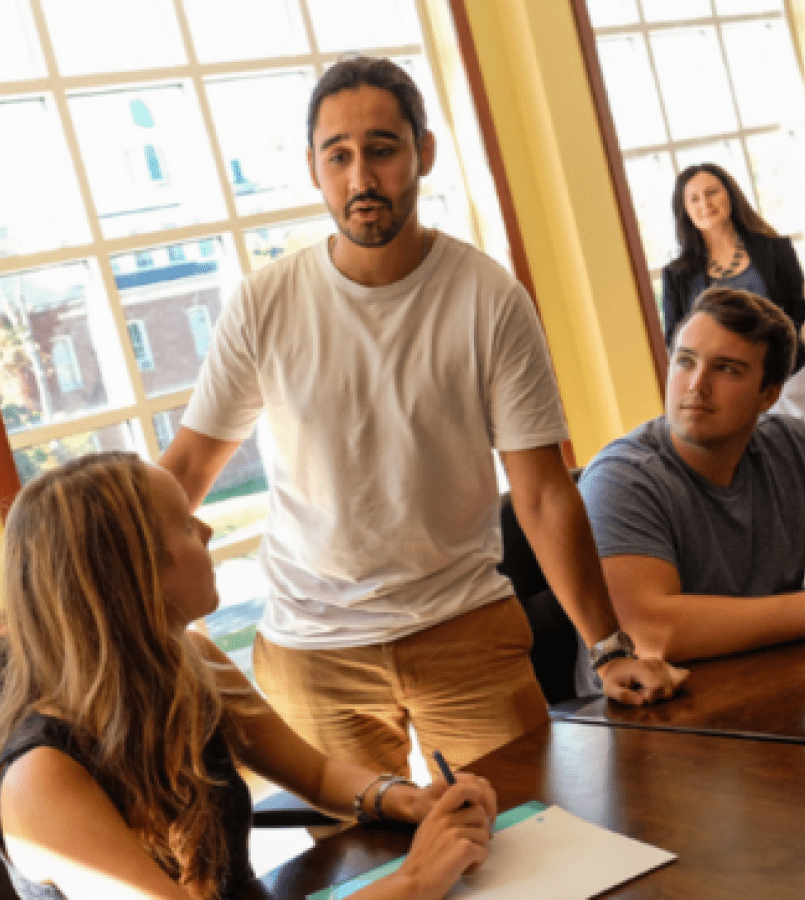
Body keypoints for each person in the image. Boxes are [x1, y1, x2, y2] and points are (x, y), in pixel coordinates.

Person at [156, 54, 686, 774]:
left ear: (423, 153)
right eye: (337, 156)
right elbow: (187, 465)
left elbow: (540, 490)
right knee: (365, 870)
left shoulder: (489, 297)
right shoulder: (265, 303)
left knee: (535, 840)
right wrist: (74, 575)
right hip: (313, 655)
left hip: (464, 629)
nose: (361, 178)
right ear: (314, 168)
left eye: (382, 150)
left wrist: (608, 645)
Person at [0, 452, 498, 900]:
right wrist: (414, 881)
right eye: (183, 524)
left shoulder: (192, 662)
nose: (206, 529)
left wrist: (408, 799)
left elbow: (314, 776)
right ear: (132, 577)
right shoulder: (40, 779)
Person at [578, 286, 805, 680]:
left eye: (726, 369)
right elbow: (647, 631)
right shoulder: (623, 477)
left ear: (768, 395)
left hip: (764, 684)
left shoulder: (789, 444)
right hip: (650, 717)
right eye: (685, 361)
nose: (696, 385)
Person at [661, 162, 805, 366]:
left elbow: (799, 313)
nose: (705, 204)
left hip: (786, 375)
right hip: (721, 386)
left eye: (712, 192)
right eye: (694, 199)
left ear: (730, 194)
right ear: (685, 211)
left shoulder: (777, 250)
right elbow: (676, 344)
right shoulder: (676, 275)